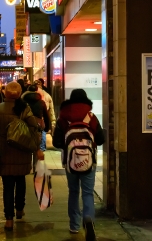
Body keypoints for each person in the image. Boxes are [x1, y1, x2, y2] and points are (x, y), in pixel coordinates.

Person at [52, 89, 105, 240]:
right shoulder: (91, 117)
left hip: (70, 162)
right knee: (88, 192)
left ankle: (74, 225)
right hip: (89, 161)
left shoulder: (63, 118)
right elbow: (101, 139)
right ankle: (88, 219)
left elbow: (56, 142)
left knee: (73, 192)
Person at [0, 81, 40, 231]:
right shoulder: (24, 109)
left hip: (4, 151)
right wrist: (36, 148)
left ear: (5, 93)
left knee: (7, 186)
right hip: (22, 150)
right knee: (20, 181)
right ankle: (19, 209)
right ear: (19, 94)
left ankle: (9, 220)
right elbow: (34, 128)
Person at [35, 79, 56, 151]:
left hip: (34, 117)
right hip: (43, 116)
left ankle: (36, 148)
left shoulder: (33, 94)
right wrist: (53, 120)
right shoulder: (47, 95)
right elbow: (51, 109)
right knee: (43, 131)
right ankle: (42, 148)